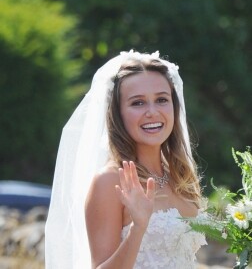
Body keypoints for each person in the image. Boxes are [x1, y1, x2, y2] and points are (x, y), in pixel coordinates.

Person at [45, 50, 207, 269]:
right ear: (118, 114)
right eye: (138, 103)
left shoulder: (179, 176)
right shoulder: (109, 181)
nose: (152, 112)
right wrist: (138, 228)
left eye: (161, 100)